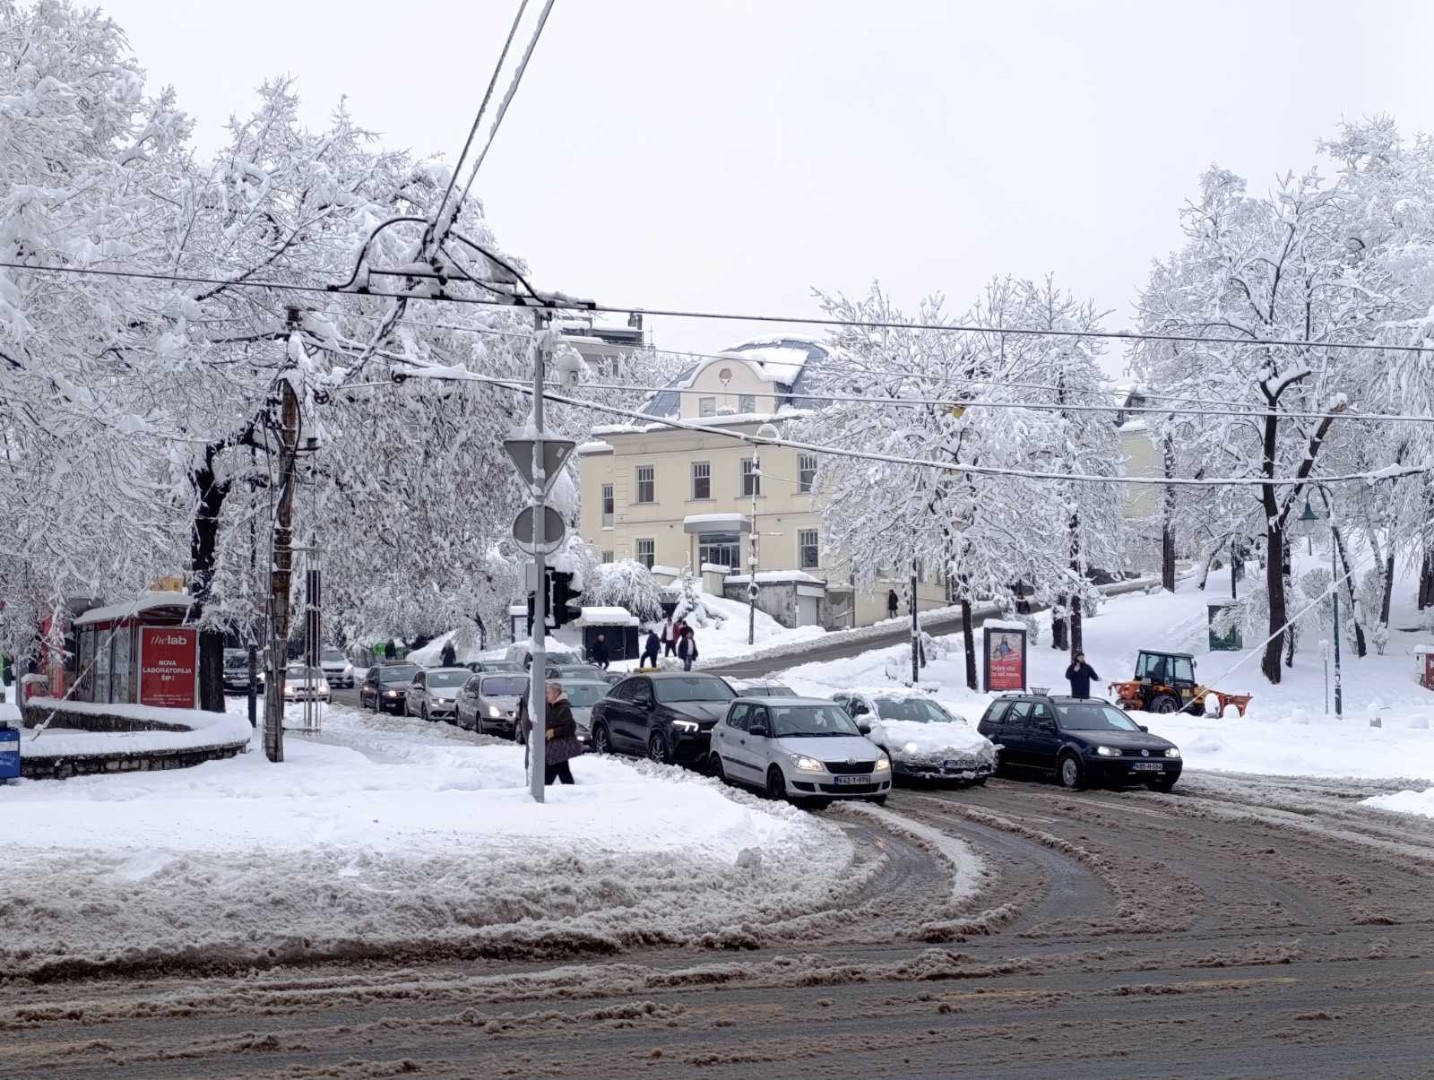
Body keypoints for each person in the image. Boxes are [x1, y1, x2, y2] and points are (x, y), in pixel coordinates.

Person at [543, 681, 583, 785]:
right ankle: (572, 793)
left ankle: (539, 797)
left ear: (556, 693)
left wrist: (554, 732)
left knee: (547, 778)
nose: (547, 695)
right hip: (557, 747)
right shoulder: (553, 705)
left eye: (549, 692)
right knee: (565, 774)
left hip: (558, 748)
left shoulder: (562, 708)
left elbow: (571, 726)